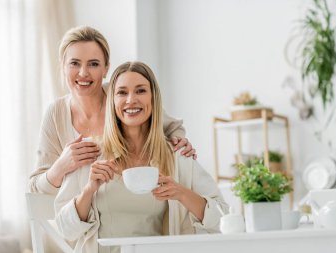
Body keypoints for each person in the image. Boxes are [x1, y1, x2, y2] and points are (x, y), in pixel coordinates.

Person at [54, 61, 228, 253]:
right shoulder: (89, 154)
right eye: (122, 92)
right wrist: (88, 191)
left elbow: (223, 219)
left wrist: (181, 193)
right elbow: (64, 230)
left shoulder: (177, 156)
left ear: (153, 98)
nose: (130, 100)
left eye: (140, 91)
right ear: (112, 101)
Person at [29, 26, 196, 195]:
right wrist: (61, 166)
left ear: (106, 69)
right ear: (63, 67)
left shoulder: (122, 97)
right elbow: (36, 188)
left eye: (93, 64)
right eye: (74, 63)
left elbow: (173, 127)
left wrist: (179, 142)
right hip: (79, 216)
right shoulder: (55, 113)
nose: (83, 73)